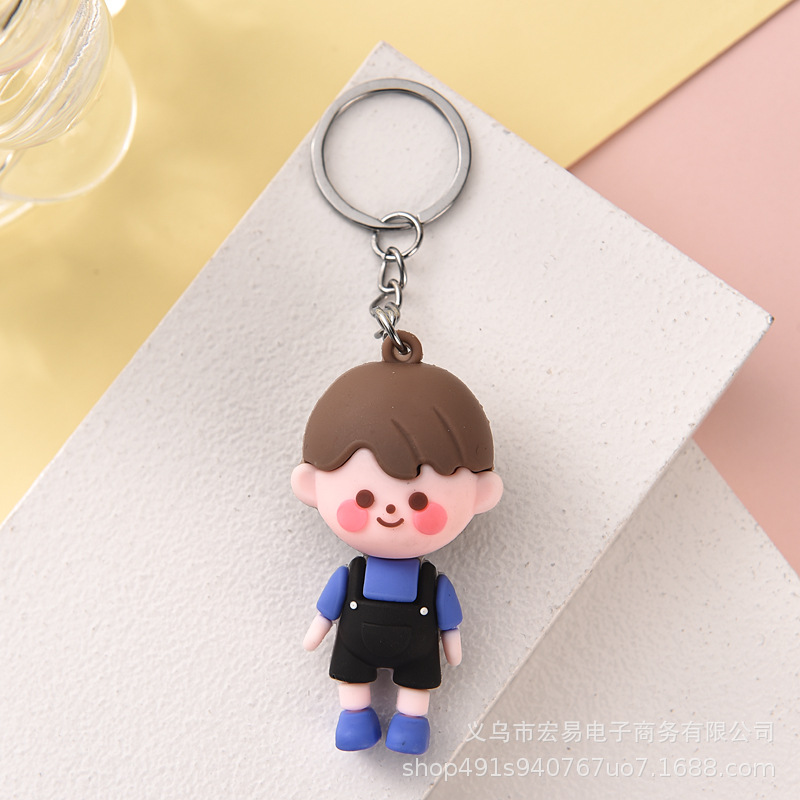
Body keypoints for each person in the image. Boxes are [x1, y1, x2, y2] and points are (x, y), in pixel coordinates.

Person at [292, 332, 503, 754]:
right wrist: (318, 628)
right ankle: (355, 719)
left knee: (416, 681)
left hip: (417, 645)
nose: (391, 512)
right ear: (311, 485)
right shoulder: (353, 576)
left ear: (481, 494)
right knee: (351, 675)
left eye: (419, 500)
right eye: (364, 498)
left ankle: (411, 725)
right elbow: (329, 607)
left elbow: (448, 618)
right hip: (357, 640)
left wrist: (452, 641)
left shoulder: (430, 582)